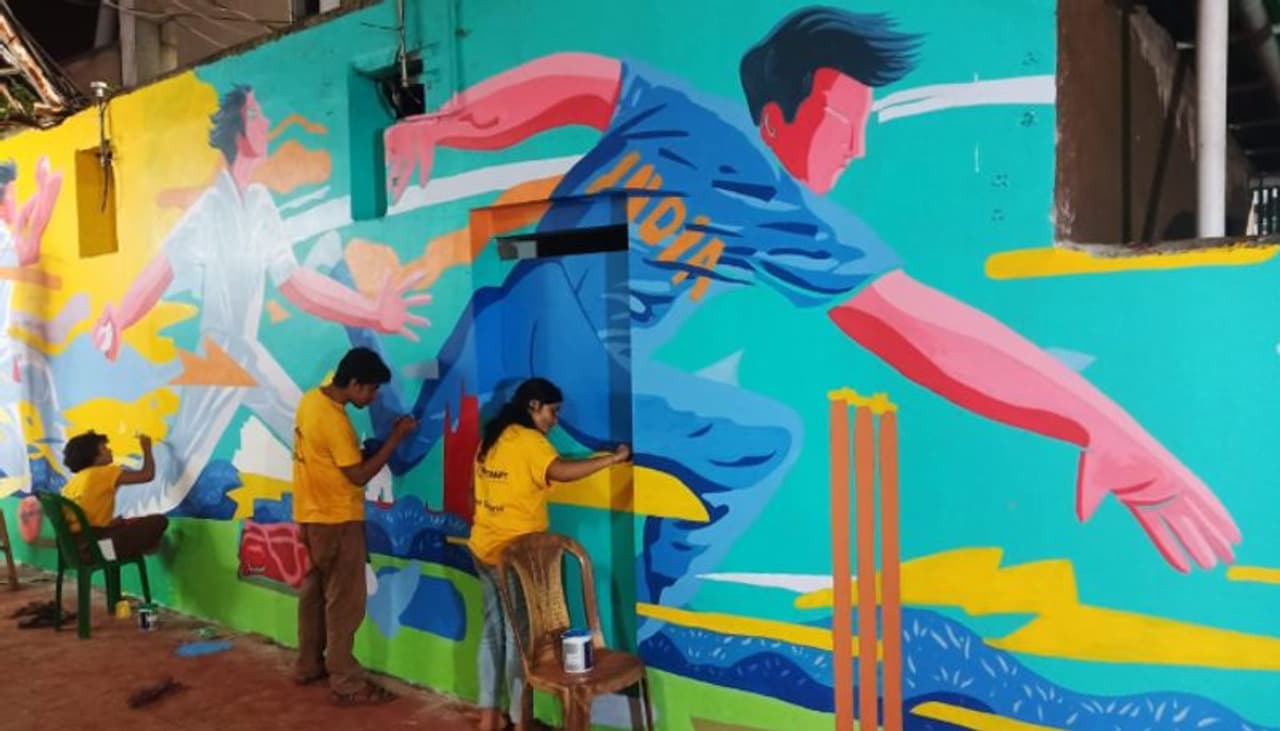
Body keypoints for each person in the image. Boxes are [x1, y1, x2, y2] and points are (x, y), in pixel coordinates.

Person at [378, 4, 1238, 628]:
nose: (857, 147)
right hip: (571, 341)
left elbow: (577, 83)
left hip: (510, 304)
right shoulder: (782, 208)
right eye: (841, 122)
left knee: (416, 429)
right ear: (778, 111)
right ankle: (659, 610)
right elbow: (923, 330)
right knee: (760, 445)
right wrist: (1098, 423)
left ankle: (399, 439)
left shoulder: (676, 111)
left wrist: (447, 124)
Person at [95, 85, 430, 519]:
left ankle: (373, 491)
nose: (267, 122)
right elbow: (162, 268)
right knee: (169, 490)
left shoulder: (258, 202)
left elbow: (294, 281)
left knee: (305, 431)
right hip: (220, 355)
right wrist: (119, 318)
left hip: (246, 351)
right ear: (238, 133)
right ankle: (99, 507)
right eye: (256, 116)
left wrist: (372, 313)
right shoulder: (211, 207)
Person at [469, 377, 631, 731]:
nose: (555, 421)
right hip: (515, 557)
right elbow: (561, 471)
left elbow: (475, 492)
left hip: (483, 547)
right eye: (552, 412)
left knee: (493, 633)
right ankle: (519, 720)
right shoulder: (530, 441)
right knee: (519, 639)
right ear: (533, 406)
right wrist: (613, 459)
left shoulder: (493, 438)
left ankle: (487, 717)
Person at [291, 346, 417, 706]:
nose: (374, 397)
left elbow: (325, 460)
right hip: (338, 520)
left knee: (314, 596)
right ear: (355, 384)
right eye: (372, 389)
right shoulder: (335, 422)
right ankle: (346, 680)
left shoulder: (310, 401)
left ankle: (308, 664)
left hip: (311, 516)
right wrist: (395, 439)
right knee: (344, 603)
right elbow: (358, 475)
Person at [59, 431, 167, 559]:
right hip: (94, 548)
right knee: (158, 521)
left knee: (123, 525)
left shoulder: (71, 483)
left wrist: (111, 524)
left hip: (73, 550)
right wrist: (146, 448)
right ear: (94, 456)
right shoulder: (103, 473)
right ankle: (117, 552)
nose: (110, 450)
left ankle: (123, 549)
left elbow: (84, 518)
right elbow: (147, 475)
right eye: (104, 448)